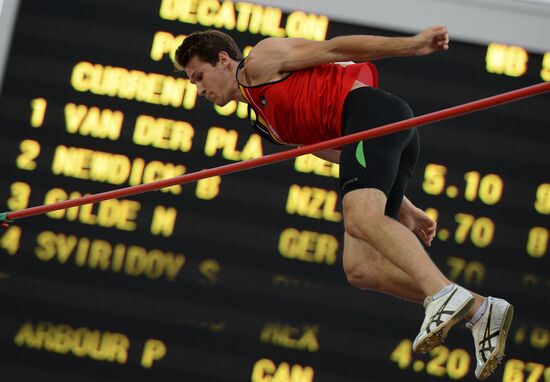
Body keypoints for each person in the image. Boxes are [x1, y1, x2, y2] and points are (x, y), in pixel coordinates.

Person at [174, 26, 513, 380]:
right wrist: (403, 205)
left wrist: (411, 46)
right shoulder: (264, 124)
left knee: (359, 219)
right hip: (371, 140)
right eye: (193, 84)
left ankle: (442, 293)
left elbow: (336, 48)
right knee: (361, 268)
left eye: (200, 77)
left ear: (224, 60)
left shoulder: (260, 61)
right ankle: (480, 309)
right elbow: (330, 151)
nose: (200, 90)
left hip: (373, 116)